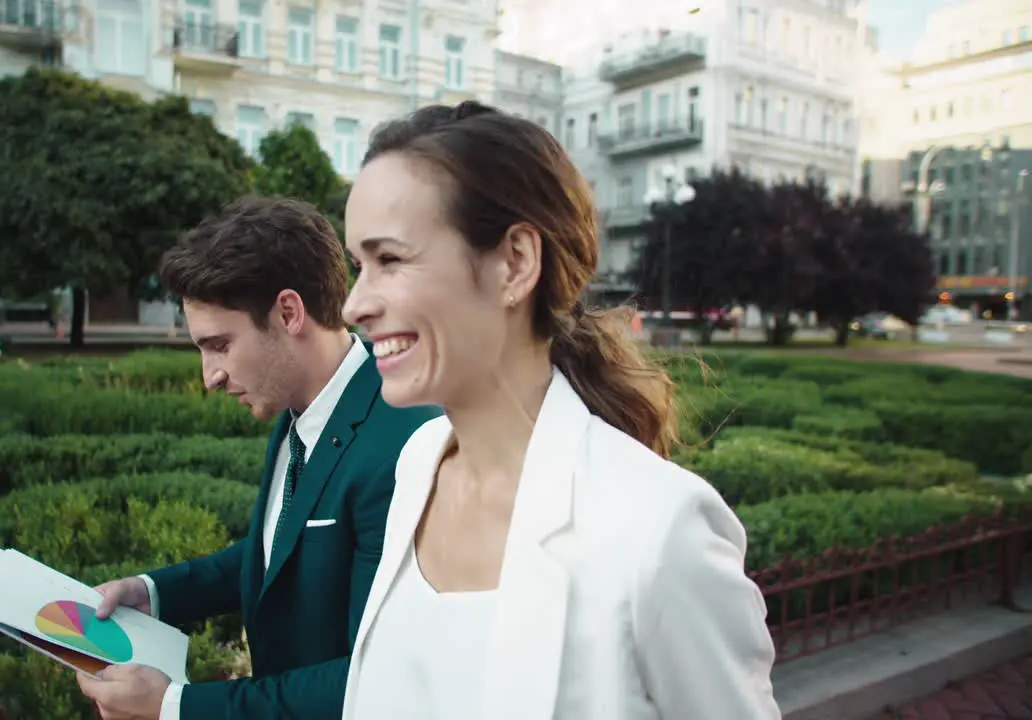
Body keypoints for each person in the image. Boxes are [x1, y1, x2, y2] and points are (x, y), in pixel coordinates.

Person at [339, 102, 781, 719]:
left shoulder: (658, 529)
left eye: (388, 259)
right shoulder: (417, 466)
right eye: (358, 265)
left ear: (515, 263)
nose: (354, 305)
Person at [76, 196, 441, 720]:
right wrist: (153, 593)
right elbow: (279, 552)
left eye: (219, 345)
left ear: (289, 313)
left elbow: (376, 675)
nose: (210, 376)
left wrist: (176, 707)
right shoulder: (299, 406)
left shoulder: (404, 446)